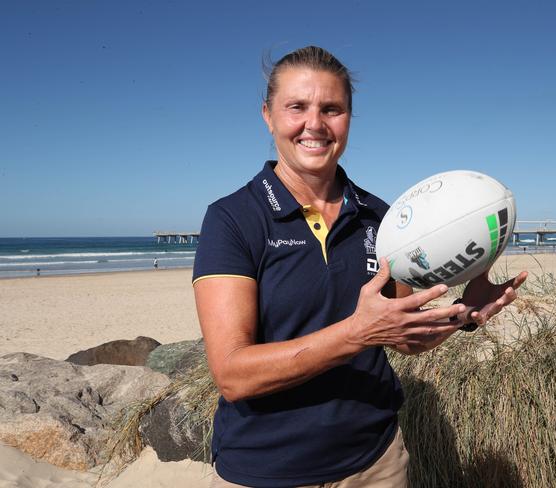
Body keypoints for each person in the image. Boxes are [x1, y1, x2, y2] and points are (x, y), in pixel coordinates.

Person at [193, 46, 527, 488]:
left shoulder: (382, 219)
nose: (315, 123)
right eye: (297, 107)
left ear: (348, 118)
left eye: (332, 109)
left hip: (376, 464)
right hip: (266, 470)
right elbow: (233, 375)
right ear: (268, 116)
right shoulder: (233, 218)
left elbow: (404, 339)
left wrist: (463, 314)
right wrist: (357, 333)